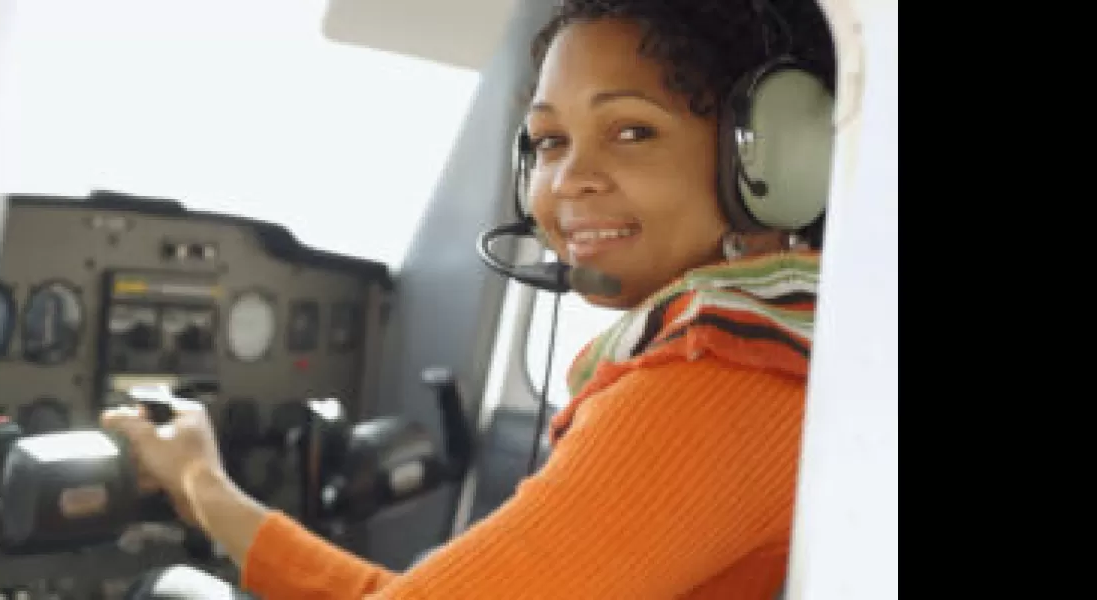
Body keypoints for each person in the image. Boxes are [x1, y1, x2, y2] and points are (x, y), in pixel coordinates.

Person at [103, 0, 836, 597]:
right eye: (549, 141)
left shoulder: (722, 377)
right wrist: (203, 487)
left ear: (779, 154)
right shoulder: (794, 346)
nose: (568, 180)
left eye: (632, 131)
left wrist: (202, 495)